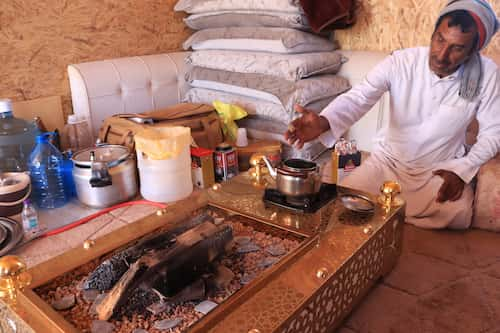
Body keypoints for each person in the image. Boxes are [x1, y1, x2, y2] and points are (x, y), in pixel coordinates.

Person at [285, 0, 500, 229]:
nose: (442, 54)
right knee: (347, 201)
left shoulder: (486, 74)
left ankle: (390, 217)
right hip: (389, 163)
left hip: (440, 170)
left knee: (458, 214)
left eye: (457, 48)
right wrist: (323, 121)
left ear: (473, 50)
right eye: (439, 39)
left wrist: (463, 170)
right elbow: (359, 98)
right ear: (434, 32)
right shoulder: (402, 62)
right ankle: (391, 217)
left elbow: (493, 132)